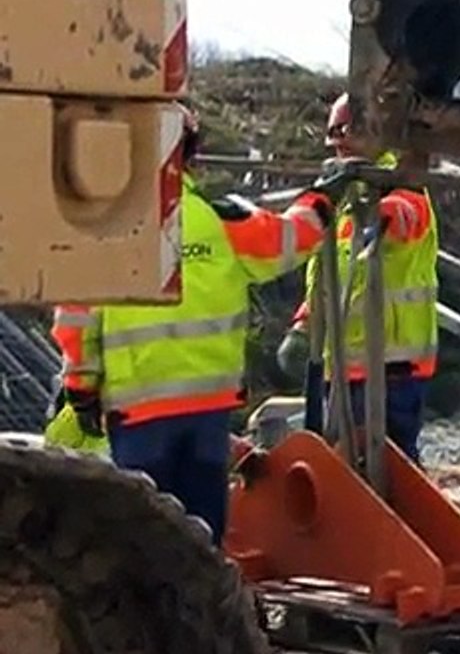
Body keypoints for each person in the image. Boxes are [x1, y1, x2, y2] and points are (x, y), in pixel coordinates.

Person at [51, 105, 332, 546]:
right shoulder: (222, 221)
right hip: (207, 411)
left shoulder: (103, 225)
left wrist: (81, 387)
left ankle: (146, 613)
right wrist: (322, 200)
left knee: (142, 538)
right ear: (191, 156)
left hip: (138, 414)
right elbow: (291, 239)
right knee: (202, 540)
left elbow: (77, 317)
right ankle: (201, 614)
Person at [278, 92, 439, 463]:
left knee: (390, 467)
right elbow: (327, 273)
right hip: (341, 367)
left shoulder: (401, 186)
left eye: (345, 130)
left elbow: (403, 217)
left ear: (375, 130)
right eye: (332, 132)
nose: (337, 141)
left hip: (391, 369)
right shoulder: (343, 195)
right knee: (342, 465)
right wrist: (304, 324)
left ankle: (398, 521)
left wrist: (373, 206)